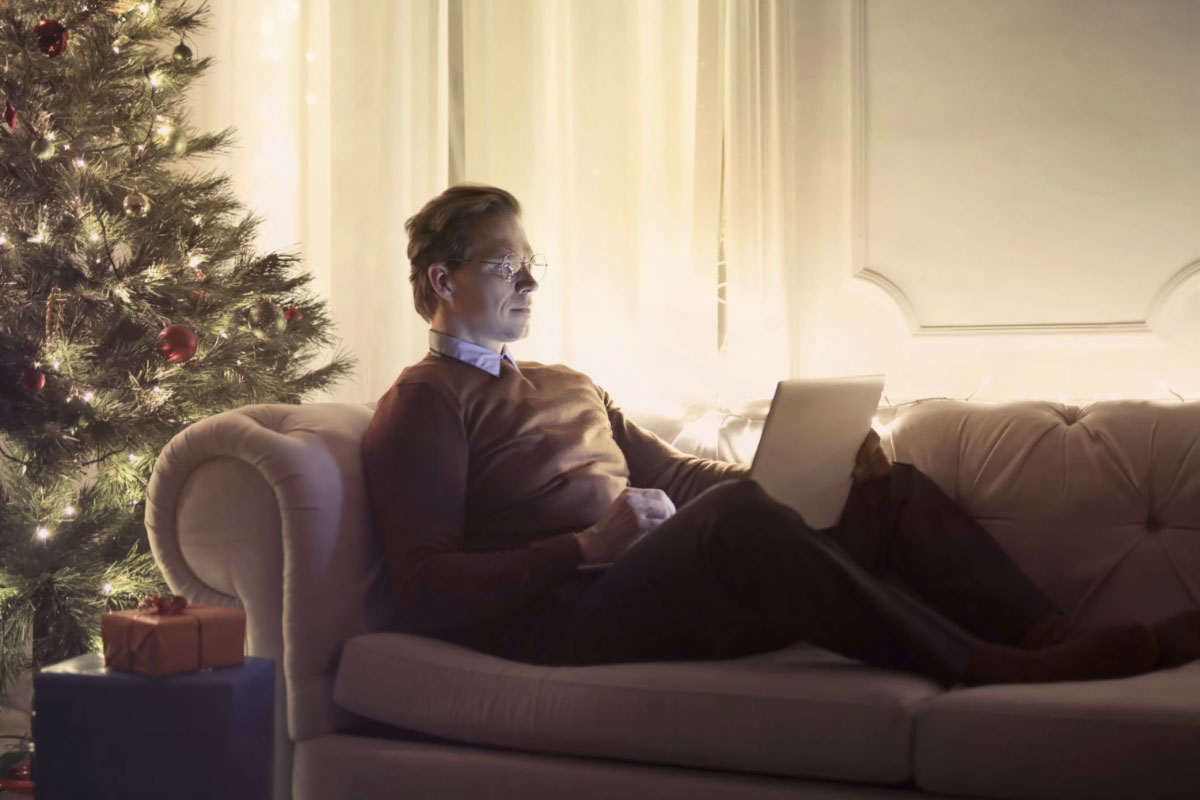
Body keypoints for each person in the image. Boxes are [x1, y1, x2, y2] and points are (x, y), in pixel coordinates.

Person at [361, 184, 1199, 688]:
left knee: (887, 491)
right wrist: (584, 546)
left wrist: (821, 470)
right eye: (510, 265)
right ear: (445, 280)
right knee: (745, 522)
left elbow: (683, 481)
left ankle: (1058, 639)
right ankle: (984, 666)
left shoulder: (567, 382)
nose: (532, 280)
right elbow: (427, 586)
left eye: (531, 261)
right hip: (567, 619)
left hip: (642, 579)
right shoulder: (426, 403)